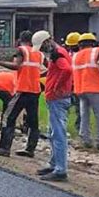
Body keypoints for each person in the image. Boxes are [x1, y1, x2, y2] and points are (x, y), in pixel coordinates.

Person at [0, 30, 43, 157]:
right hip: (35, 90)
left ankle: (4, 148)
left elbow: (16, 66)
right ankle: (30, 149)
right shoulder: (39, 54)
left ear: (20, 39)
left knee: (9, 117)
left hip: (23, 90)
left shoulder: (21, 50)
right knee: (33, 121)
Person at [35, 32, 72, 181]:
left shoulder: (58, 54)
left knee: (58, 135)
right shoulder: (56, 54)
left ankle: (60, 170)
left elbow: (67, 70)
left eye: (42, 46)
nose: (42, 49)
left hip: (58, 98)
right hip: (55, 97)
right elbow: (56, 71)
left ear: (47, 41)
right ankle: (54, 164)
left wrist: (56, 88)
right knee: (53, 133)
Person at [72, 33, 99, 150]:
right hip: (94, 88)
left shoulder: (75, 56)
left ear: (80, 44)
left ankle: (85, 140)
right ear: (93, 43)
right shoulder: (97, 51)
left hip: (80, 89)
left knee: (84, 115)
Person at [63, 31, 81, 133]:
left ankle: (63, 127)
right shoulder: (81, 55)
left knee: (66, 108)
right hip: (76, 85)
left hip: (70, 85)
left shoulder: (68, 55)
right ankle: (79, 128)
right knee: (80, 109)